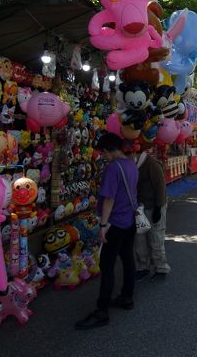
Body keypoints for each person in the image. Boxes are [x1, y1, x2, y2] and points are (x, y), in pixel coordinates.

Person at [76, 133, 138, 330]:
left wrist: (102, 225)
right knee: (128, 259)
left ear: (107, 150)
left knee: (107, 265)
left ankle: (102, 311)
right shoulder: (131, 163)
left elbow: (109, 199)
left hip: (115, 223)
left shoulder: (113, 168)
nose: (103, 156)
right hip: (130, 220)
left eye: (103, 153)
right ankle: (127, 297)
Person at [134, 149, 170, 281]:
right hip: (140, 209)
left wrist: (158, 207)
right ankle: (143, 267)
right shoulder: (133, 165)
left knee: (156, 238)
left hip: (154, 206)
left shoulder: (152, 164)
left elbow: (161, 187)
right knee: (140, 240)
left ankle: (161, 268)